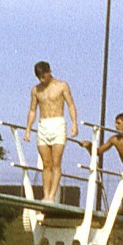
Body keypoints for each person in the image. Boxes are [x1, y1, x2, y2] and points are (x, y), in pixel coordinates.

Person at [23, 60, 79, 204]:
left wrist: (74, 123)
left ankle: (52, 195)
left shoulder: (61, 86)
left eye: (44, 76)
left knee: (56, 163)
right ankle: (46, 194)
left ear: (49, 72)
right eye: (39, 77)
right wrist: (28, 130)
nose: (42, 79)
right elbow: (32, 110)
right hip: (43, 125)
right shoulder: (36, 90)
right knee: (45, 164)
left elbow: (71, 104)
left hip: (57, 123)